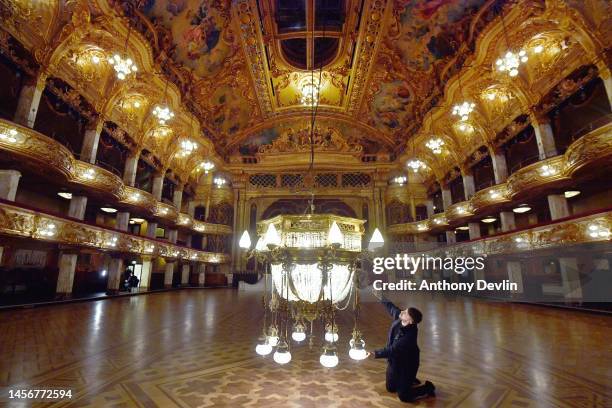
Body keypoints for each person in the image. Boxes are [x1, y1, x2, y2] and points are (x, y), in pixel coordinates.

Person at [368, 291, 435, 403]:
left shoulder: (409, 336)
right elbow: (391, 307)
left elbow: (392, 350)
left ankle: (428, 388)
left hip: (407, 365)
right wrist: (380, 296)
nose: (402, 312)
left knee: (403, 396)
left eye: (405, 313)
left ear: (410, 321)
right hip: (395, 362)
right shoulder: (400, 318)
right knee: (390, 388)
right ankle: (410, 380)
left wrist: (374, 353)